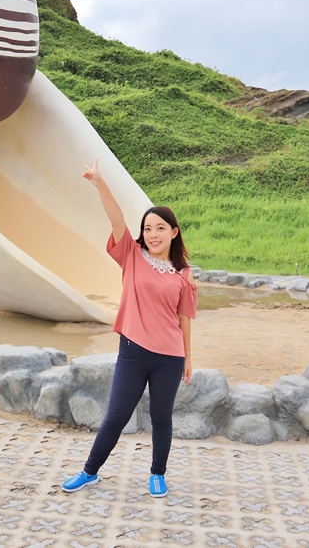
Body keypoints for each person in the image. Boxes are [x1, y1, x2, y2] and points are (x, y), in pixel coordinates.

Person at [62, 159, 197, 498]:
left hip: (169, 356)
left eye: (160, 228)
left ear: (174, 232)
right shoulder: (132, 256)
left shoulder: (184, 275)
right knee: (115, 417)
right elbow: (117, 217)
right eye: (148, 228)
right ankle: (89, 472)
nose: (153, 234)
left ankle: (158, 474)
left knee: (161, 419)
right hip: (133, 353)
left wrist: (188, 359)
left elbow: (184, 320)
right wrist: (99, 182)